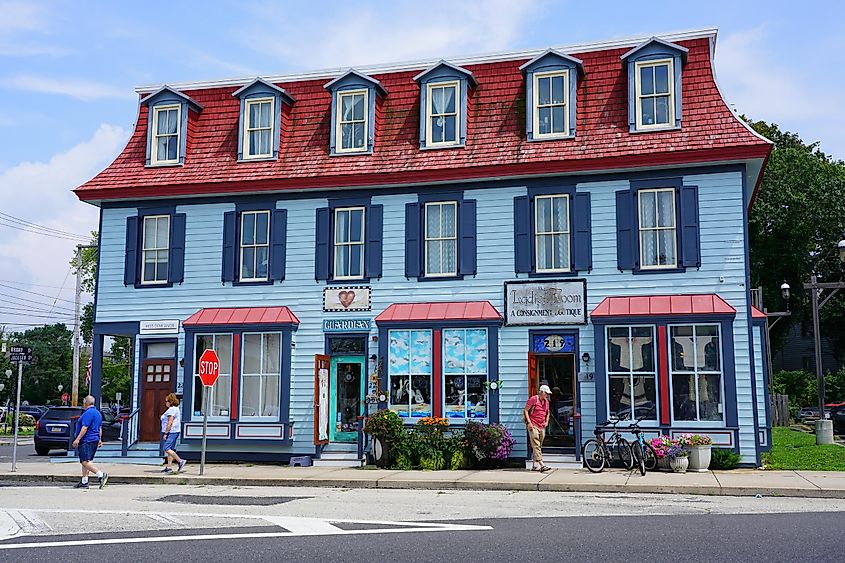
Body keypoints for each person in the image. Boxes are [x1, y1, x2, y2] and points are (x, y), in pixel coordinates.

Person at [72, 395, 109, 489]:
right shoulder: (98, 413)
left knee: (84, 461)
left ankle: (101, 475)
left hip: (86, 440)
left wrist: (77, 439)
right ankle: (84, 481)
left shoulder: (88, 413)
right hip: (94, 439)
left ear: (86, 403)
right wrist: (100, 439)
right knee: (88, 461)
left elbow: (85, 427)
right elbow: (99, 427)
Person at [523, 384, 552, 472]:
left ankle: (534, 466)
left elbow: (547, 413)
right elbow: (526, 410)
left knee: (538, 445)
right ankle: (542, 465)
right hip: (533, 425)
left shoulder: (546, 402)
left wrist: (546, 422)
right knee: (536, 444)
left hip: (541, 425)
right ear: (541, 392)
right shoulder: (533, 399)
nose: (547, 395)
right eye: (546, 393)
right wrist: (529, 423)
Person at [160, 393, 186, 473]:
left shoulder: (172, 410)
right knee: (170, 449)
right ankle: (169, 467)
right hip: (175, 431)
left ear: (171, 401)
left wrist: (166, 433)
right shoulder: (176, 409)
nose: (165, 403)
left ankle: (180, 461)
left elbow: (170, 422)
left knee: (166, 448)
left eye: (166, 401)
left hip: (171, 432)